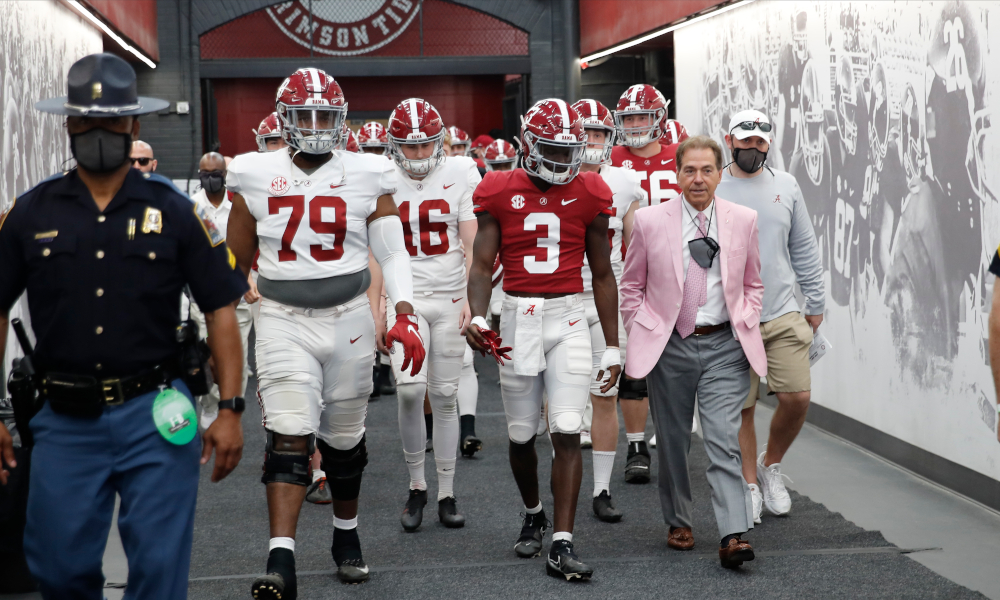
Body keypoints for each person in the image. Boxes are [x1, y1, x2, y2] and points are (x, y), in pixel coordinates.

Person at [0, 53, 248, 599]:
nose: (98, 132)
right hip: (64, 420)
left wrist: (229, 409)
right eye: (86, 122)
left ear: (133, 124)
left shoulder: (177, 212)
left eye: (111, 122)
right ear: (68, 123)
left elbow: (221, 310)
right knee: (57, 568)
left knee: (159, 573)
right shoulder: (31, 214)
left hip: (158, 415)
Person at [226, 67, 425, 596]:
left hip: (350, 318)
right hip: (282, 319)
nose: (315, 126)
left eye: (325, 116)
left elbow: (392, 250)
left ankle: (345, 533)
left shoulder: (369, 171)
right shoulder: (250, 172)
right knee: (289, 436)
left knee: (343, 441)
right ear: (283, 118)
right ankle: (281, 558)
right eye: (304, 115)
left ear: (341, 119)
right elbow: (232, 260)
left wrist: (403, 311)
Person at [466, 98, 621, 581]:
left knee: (569, 428)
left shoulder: (592, 190)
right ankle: (534, 511)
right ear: (529, 144)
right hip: (516, 316)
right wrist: (476, 315)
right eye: (552, 149)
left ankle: (562, 540)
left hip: (569, 317)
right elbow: (480, 263)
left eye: (569, 150)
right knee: (519, 435)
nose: (562, 160)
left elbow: (601, 275)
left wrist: (612, 345)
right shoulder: (496, 187)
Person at [620, 135, 765, 569]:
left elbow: (754, 282)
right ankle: (679, 519)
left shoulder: (743, 219)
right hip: (671, 346)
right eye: (690, 170)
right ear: (677, 173)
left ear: (720, 174)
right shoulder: (649, 221)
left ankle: (733, 534)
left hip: (725, 345)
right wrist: (641, 328)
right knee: (674, 440)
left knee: (723, 439)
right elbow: (631, 286)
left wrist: (748, 314)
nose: (698, 178)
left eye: (707, 170)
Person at [717, 110, 824, 524]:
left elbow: (804, 248)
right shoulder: (715, 184)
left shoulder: (787, 185)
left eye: (761, 141)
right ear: (730, 140)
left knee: (797, 398)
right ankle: (748, 485)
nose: (753, 148)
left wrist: (815, 302)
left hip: (782, 311)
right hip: (730, 318)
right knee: (742, 408)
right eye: (745, 140)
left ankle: (770, 466)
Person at [383, 98, 480, 531]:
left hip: (450, 295)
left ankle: (445, 490)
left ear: (439, 143)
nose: (418, 155)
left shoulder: (461, 172)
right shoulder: (381, 176)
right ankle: (416, 484)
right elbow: (376, 252)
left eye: (425, 146)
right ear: (393, 144)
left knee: (444, 396)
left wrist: (473, 301)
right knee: (408, 390)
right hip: (405, 297)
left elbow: (474, 245)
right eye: (409, 146)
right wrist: (376, 308)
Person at [571, 99, 643, 522]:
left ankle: (601, 488)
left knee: (606, 392)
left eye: (598, 133)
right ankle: (564, 483)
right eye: (584, 133)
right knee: (560, 401)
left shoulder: (626, 182)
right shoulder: (550, 175)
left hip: (607, 297)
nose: (591, 142)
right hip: (560, 295)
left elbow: (635, 249)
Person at [610, 83, 680, 484]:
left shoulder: (681, 155)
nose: (636, 125)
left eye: (642, 116)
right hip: (630, 271)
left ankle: (671, 437)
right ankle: (636, 445)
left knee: (678, 360)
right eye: (630, 118)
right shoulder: (611, 159)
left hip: (681, 268)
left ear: (660, 119)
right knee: (634, 361)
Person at [187, 152, 257, 431]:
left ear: (225, 175)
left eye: (216, 173)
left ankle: (231, 406)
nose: (211, 179)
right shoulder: (190, 207)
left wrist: (249, 279)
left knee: (236, 356)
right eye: (205, 173)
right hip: (203, 297)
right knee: (206, 354)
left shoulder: (240, 206)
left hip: (236, 295)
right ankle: (209, 406)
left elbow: (249, 251)